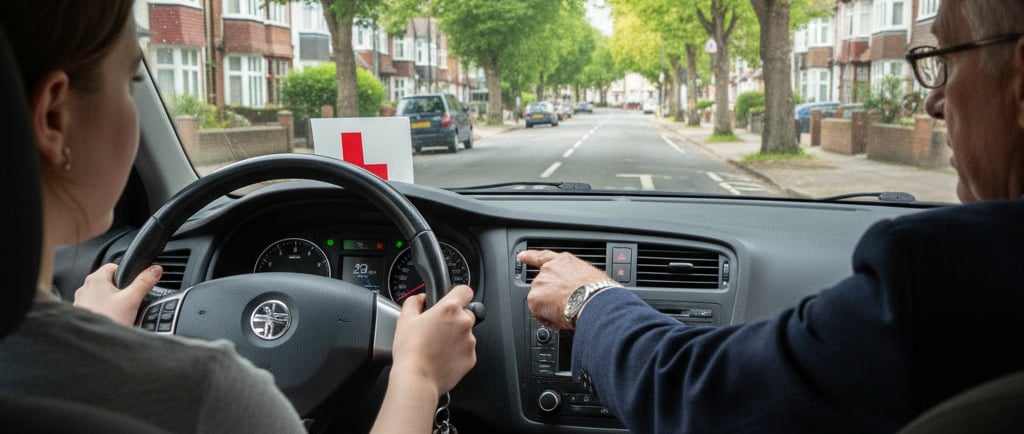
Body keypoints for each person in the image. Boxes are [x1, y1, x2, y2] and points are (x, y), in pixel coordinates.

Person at [520, 1, 1024, 433]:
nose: (934, 101)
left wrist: (588, 299)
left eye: (943, 62)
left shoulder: (945, 274)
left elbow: (700, 398)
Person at [0, 1, 477, 433]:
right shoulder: (211, 395)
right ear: (54, 118)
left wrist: (92, 332)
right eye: (131, 82)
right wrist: (418, 375)